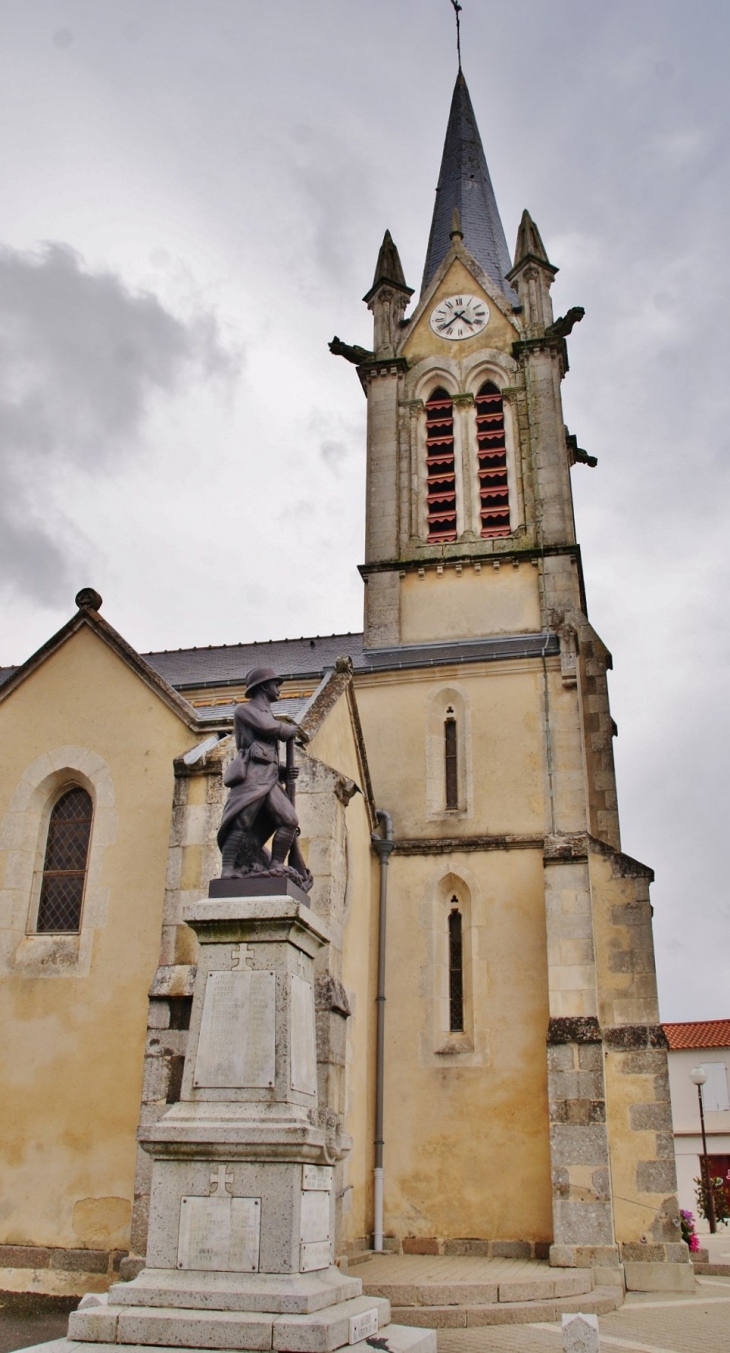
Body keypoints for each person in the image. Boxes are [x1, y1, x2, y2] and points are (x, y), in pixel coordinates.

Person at [217, 667, 305, 880]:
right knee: (242, 822)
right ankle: (228, 869)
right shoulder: (245, 710)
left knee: (289, 821)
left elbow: (266, 749)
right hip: (252, 777)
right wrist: (287, 730)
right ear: (265, 686)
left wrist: (283, 769)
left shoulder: (268, 713)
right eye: (275, 685)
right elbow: (267, 728)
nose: (279, 690)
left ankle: (275, 865)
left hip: (270, 778)